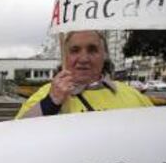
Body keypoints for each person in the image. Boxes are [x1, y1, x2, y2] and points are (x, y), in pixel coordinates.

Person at [16, 30, 153, 118]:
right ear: (65, 57)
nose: (83, 59)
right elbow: (16, 136)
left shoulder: (133, 96)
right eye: (75, 50)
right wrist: (51, 103)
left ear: (104, 55)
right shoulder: (45, 95)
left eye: (92, 50)